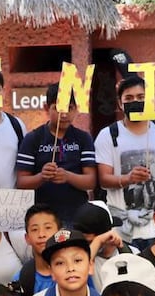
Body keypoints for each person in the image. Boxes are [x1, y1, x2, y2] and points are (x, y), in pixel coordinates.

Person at [95, 75, 155, 249]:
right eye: (129, 98)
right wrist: (128, 179)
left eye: (141, 97)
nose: (135, 102)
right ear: (120, 103)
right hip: (121, 228)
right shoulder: (108, 135)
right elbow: (103, 179)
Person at [15, 83, 97, 225]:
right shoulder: (33, 138)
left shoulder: (83, 138)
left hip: (77, 215)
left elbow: (91, 182)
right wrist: (42, 176)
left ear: (76, 109)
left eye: (69, 108)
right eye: (58, 108)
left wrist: (68, 176)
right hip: (43, 216)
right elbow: (22, 182)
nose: (64, 114)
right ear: (47, 108)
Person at [12, 203, 61, 296]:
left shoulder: (74, 272)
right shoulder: (21, 279)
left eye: (48, 228)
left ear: (59, 233)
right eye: (35, 229)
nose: (41, 234)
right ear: (27, 238)